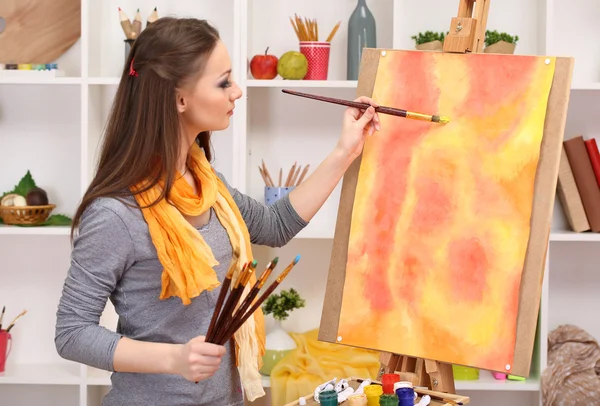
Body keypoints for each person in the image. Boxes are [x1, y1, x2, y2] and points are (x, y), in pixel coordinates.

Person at [54, 17, 380, 406]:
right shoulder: (115, 214)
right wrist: (173, 358)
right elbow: (71, 333)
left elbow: (275, 226)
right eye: (224, 81)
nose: (237, 91)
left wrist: (346, 150)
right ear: (179, 99)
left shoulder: (208, 183)